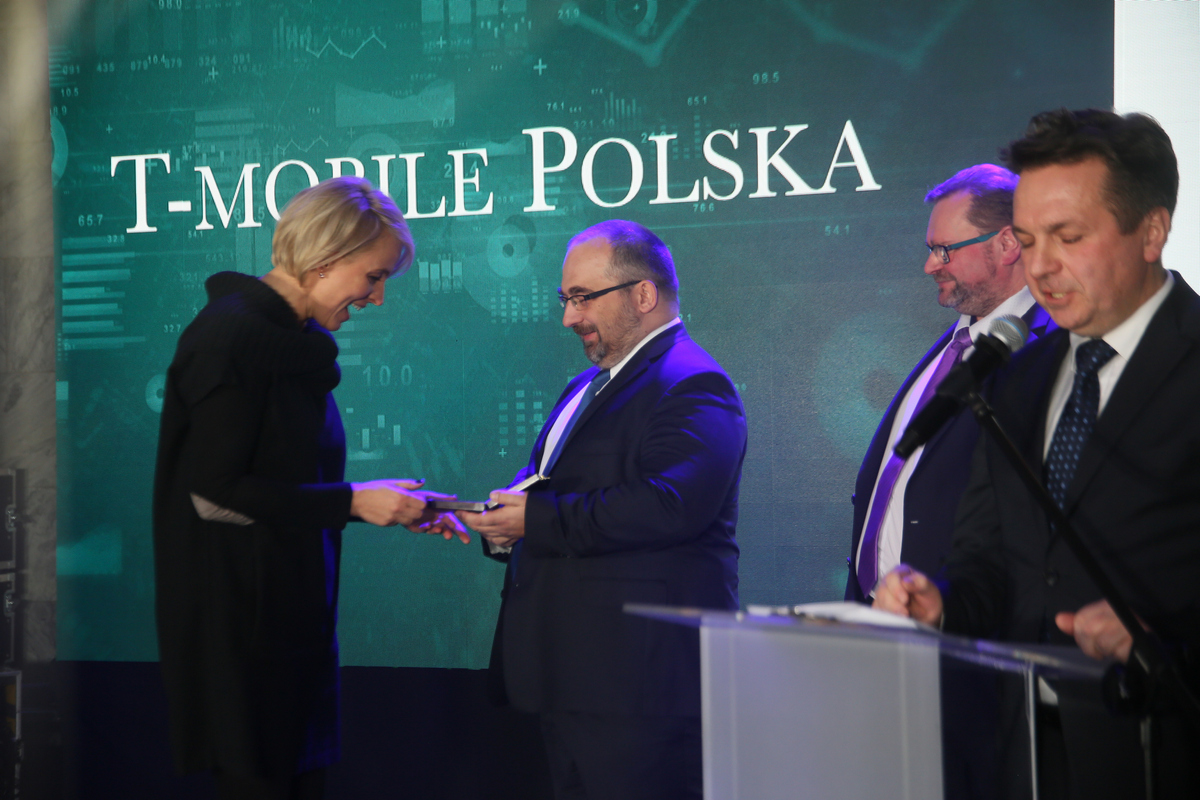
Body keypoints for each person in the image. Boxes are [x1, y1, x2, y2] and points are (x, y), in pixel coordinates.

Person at [874, 110, 1200, 798]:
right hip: (1022, 752)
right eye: (1026, 240)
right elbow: (987, 559)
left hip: (1164, 748)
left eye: (1068, 237)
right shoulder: (1016, 377)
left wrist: (1167, 642)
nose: (1041, 265)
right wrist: (941, 604)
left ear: (1152, 231)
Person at [152, 176, 466, 800]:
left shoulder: (292, 343)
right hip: (247, 639)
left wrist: (377, 500)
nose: (377, 298)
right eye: (373, 277)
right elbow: (213, 492)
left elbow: (285, 483)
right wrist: (353, 501)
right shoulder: (230, 336)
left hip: (290, 629)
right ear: (324, 260)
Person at [459, 220, 746, 800]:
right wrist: (504, 523)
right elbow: (548, 487)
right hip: (573, 683)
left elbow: (670, 506)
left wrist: (533, 520)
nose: (569, 317)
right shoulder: (583, 387)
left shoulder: (693, 383)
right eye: (565, 299)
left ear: (644, 294)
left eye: (583, 297)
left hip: (640, 692)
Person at [846, 163, 1054, 604]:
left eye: (944, 250)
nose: (929, 266)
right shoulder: (952, 345)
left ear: (1007, 244)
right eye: (931, 249)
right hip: (876, 618)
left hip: (960, 625)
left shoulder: (1053, 352)